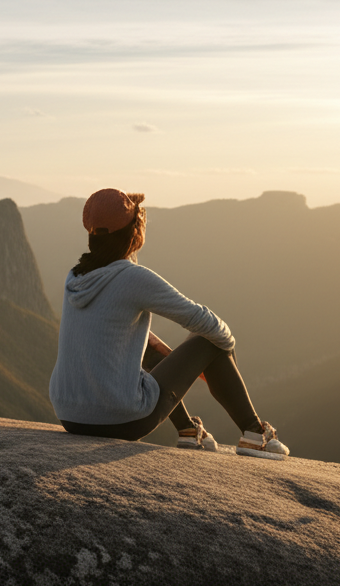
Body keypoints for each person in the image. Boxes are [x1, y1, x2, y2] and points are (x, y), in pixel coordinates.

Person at [48, 188, 290, 459]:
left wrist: (153, 343)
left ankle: (188, 431)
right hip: (121, 420)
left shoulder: (76, 277)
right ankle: (255, 434)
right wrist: (227, 349)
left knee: (150, 344)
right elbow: (200, 319)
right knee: (209, 339)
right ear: (134, 233)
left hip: (69, 416)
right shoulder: (134, 278)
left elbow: (108, 327)